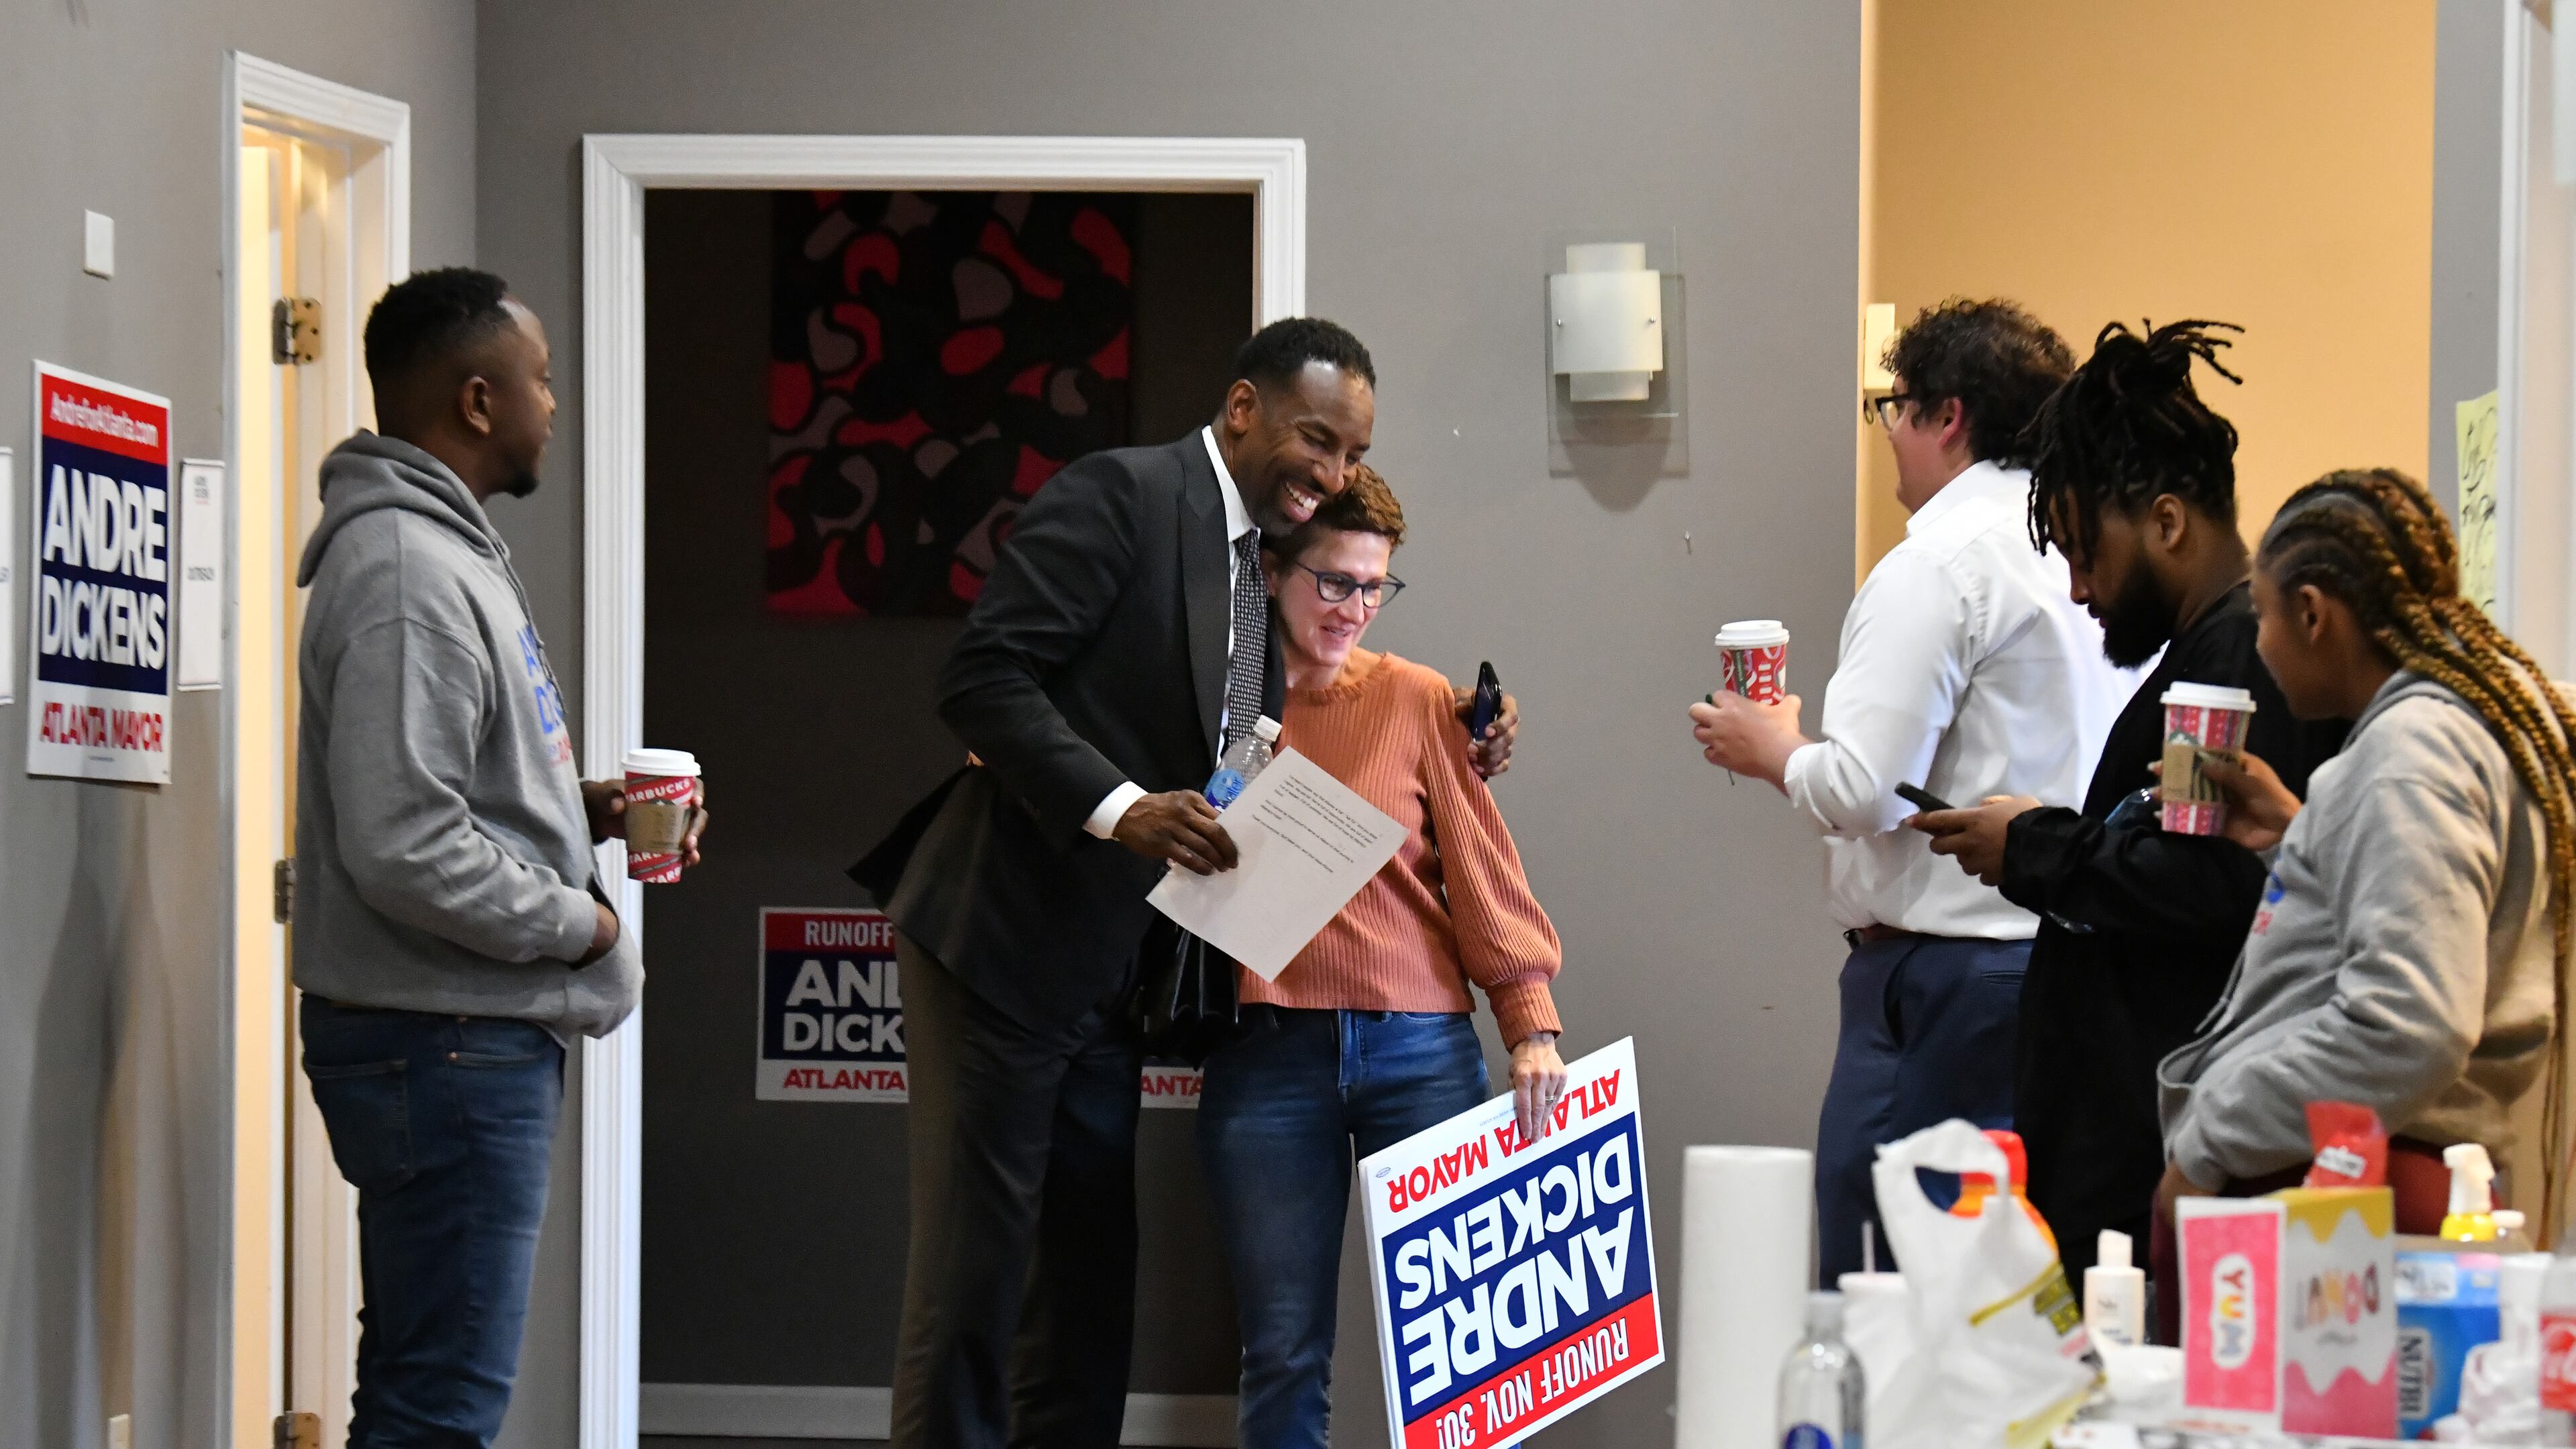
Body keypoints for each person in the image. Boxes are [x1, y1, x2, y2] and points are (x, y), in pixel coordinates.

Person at [856, 319, 1518, 1449]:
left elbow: (1297, 700)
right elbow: (984, 676)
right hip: (1004, 947)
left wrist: (1460, 717)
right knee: (974, 1285)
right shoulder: (1121, 496)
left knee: (1086, 1294)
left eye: (1353, 455)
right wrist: (1124, 808)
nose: (1333, 472)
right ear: (1246, 406)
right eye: (1318, 439)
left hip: (1108, 983)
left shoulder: (1253, 568)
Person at [294, 267, 702, 1446]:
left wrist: (584, 812)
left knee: (425, 1383)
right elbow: (405, 843)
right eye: (542, 380)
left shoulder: (438, 553)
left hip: (454, 1035)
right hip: (448, 1042)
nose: (554, 407)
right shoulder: (411, 574)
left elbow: (444, 789)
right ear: (478, 402)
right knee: (444, 1405)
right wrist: (585, 923)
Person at [1690, 298, 2131, 1278]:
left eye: (1893, 409)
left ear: (1948, 416)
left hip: (1947, 981)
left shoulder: (1938, 561)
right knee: (2012, 1281)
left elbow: (1864, 790)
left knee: (1885, 1274)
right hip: (2070, 955)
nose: (1888, 435)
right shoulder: (2079, 551)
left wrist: (1774, 745)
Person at [1909, 320, 2347, 1281]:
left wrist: (2032, 847)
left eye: (2086, 554)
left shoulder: (2234, 667)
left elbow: (2209, 887)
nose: (2077, 589)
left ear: (2164, 523)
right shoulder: (2205, 661)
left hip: (2158, 1155)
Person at [2154, 467, 2575, 1340]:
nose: (2260, 643)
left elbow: (2408, 1020)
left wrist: (2209, 1136)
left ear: (2315, 613)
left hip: (2347, 1192)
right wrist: (2303, 838)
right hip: (2388, 1179)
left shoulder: (2410, 752)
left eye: (2265, 614)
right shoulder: (2482, 719)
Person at [1195, 466, 1568, 1449]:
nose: (1354, 608)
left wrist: (1530, 1024)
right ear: (1273, 573)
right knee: (1280, 1348)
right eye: (1333, 584)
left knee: (1463, 1349)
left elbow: (1482, 873)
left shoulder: (1415, 699)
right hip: (1265, 1054)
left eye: (1374, 587)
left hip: (1420, 1052)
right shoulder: (1221, 699)